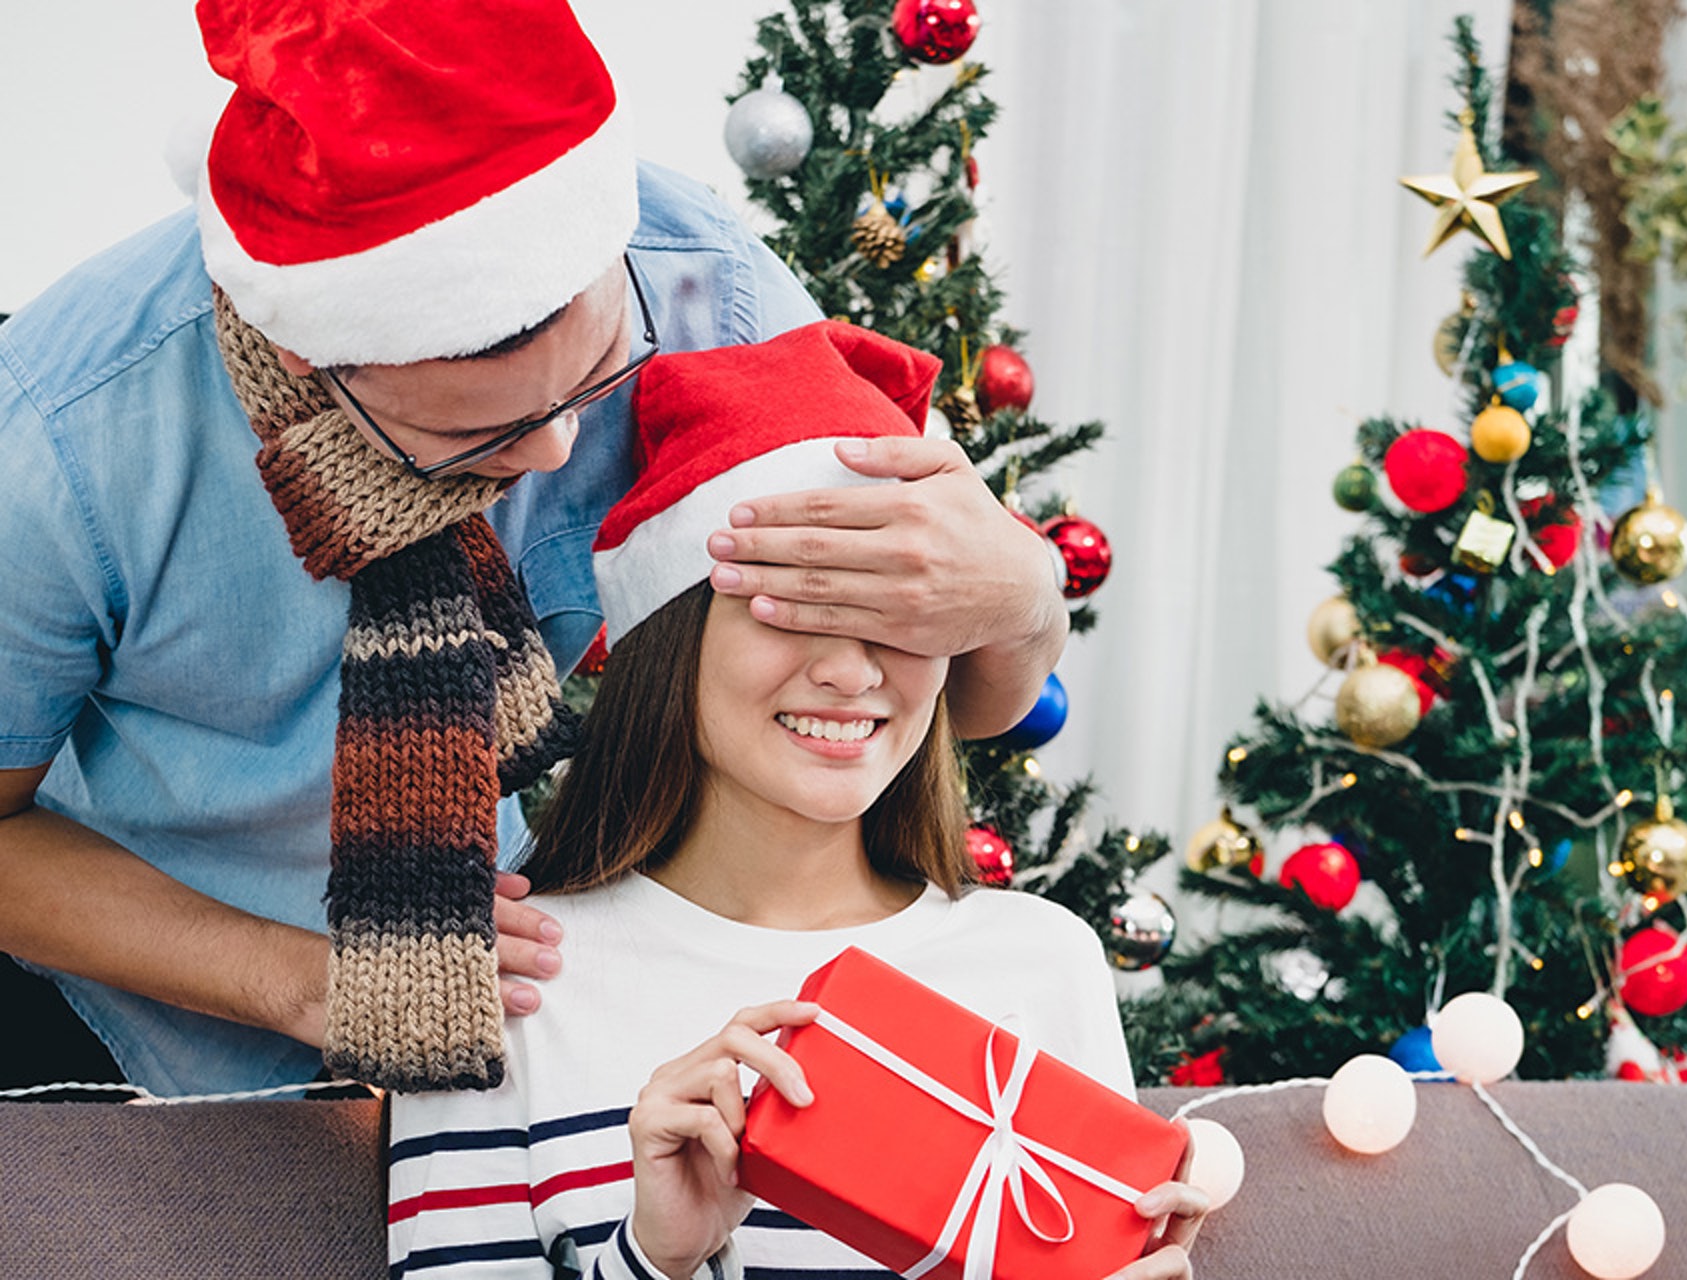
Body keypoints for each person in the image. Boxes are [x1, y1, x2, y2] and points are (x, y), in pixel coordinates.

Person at [0, 0, 1065, 1097]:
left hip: (500, 1006)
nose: (561, 445)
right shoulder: (63, 433)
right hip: (111, 1036)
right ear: (306, 349)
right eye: (482, 432)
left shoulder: (703, 288)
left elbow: (950, 702)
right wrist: (302, 980)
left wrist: (1025, 596)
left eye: (598, 366)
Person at [386, 320, 1206, 1280]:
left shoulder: (1042, 961)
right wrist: (656, 1259)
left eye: (898, 618)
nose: (854, 672)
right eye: (792, 606)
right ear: (670, 638)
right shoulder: (507, 988)